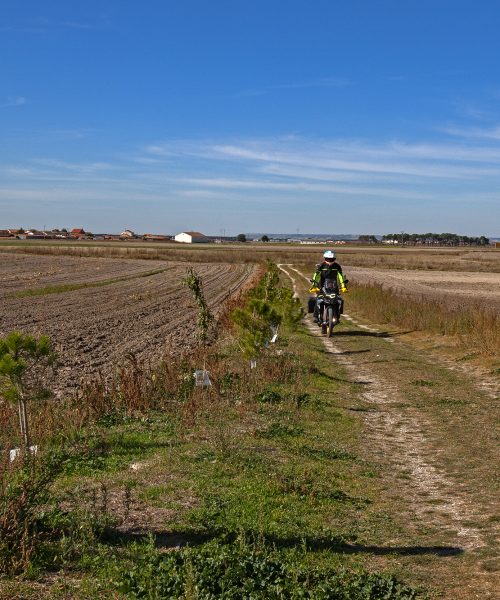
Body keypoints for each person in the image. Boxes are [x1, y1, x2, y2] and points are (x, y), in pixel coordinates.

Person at [311, 251, 348, 322]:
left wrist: (343, 287)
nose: (330, 261)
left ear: (334, 259)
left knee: (337, 300)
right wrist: (314, 286)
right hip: (322, 286)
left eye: (332, 259)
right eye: (328, 259)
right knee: (318, 300)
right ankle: (315, 316)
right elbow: (317, 276)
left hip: (334, 287)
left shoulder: (337, 266)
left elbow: (341, 276)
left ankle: (337, 316)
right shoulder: (322, 266)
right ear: (325, 258)